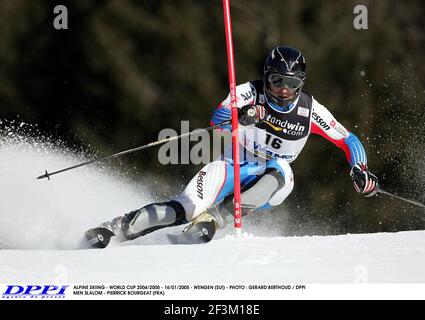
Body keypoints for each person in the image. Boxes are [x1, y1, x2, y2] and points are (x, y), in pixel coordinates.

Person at [85, 45, 379, 248]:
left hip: (271, 175)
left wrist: (359, 168)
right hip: (231, 163)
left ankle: (216, 217)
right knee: (185, 207)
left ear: (301, 83)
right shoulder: (248, 92)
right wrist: (243, 116)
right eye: (276, 82)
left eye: (291, 83)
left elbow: (348, 139)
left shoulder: (309, 109)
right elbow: (218, 122)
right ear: (267, 77)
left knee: (283, 171)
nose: (283, 90)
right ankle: (115, 229)